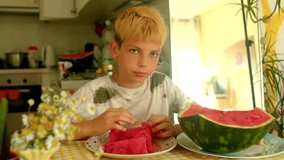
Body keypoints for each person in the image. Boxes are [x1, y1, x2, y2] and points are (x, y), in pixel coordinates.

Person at [72, 5, 192, 140]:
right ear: (115, 49)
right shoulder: (91, 92)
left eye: (153, 54)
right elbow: (48, 132)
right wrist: (92, 126)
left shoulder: (163, 85)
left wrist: (175, 128)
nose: (144, 63)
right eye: (134, 51)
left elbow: (201, 118)